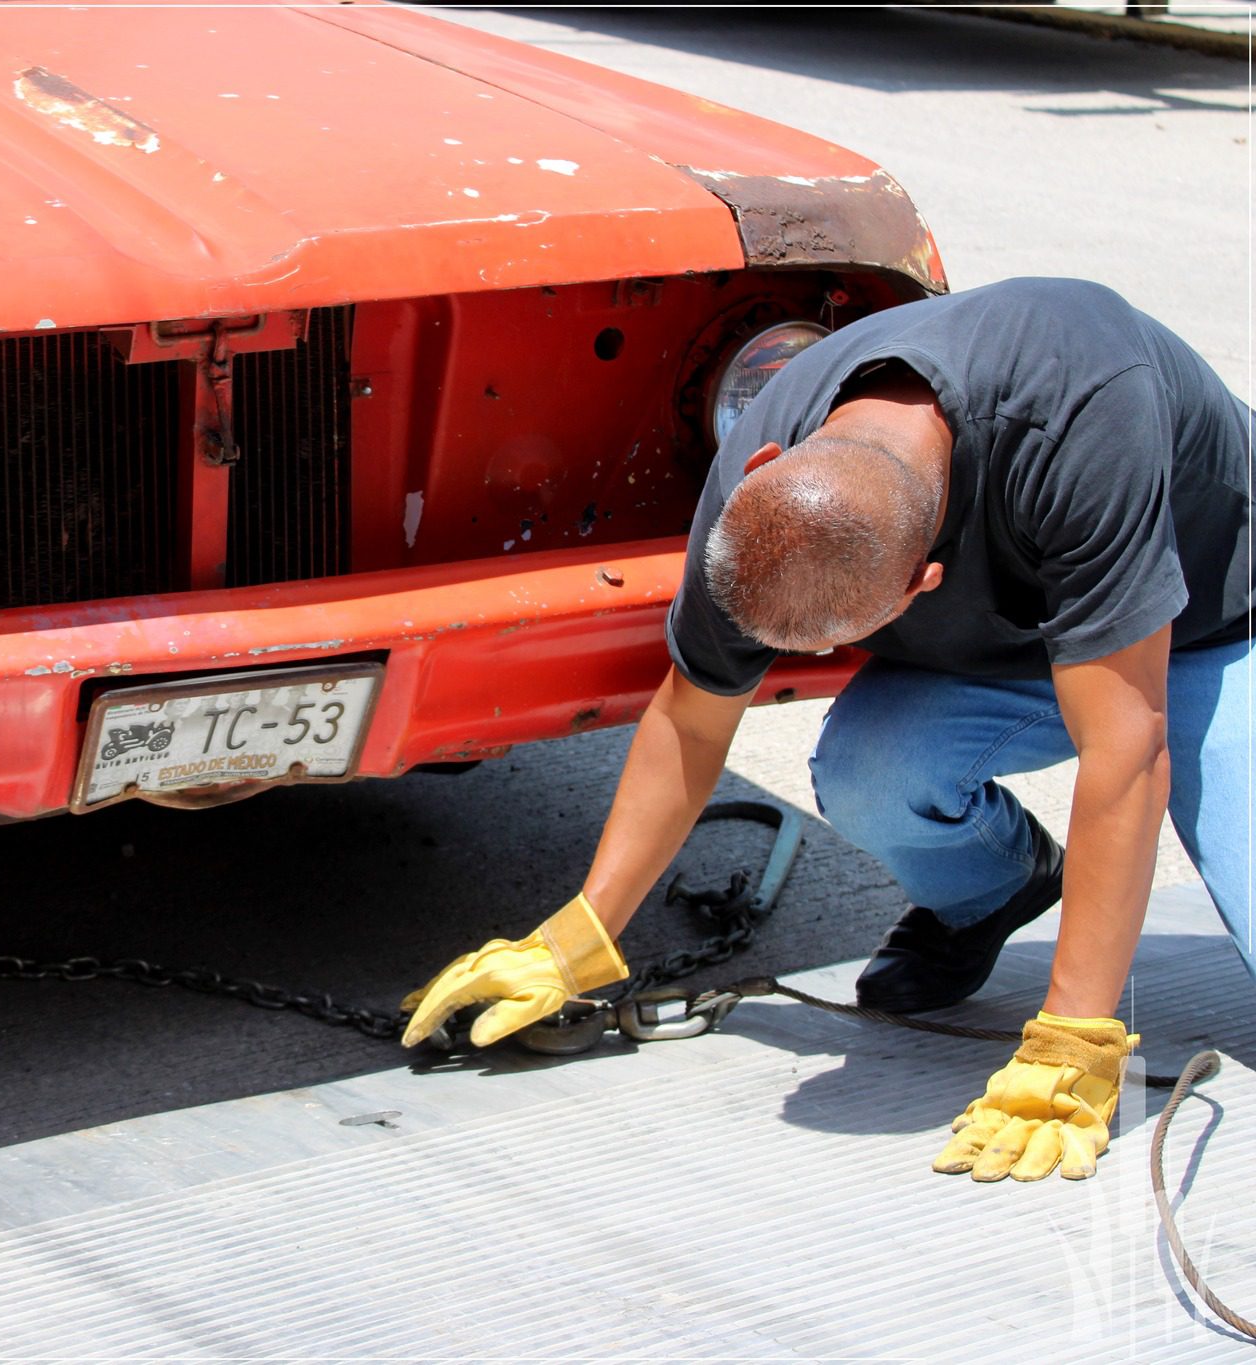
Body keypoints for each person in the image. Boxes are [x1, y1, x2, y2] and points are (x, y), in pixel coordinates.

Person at [401, 278, 1252, 1185]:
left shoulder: (1082, 413)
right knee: (868, 770)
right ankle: (993, 890)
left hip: (1215, 624)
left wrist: (1074, 1036)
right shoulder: (762, 501)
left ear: (925, 580)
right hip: (1022, 640)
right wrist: (576, 937)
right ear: (763, 464)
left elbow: (1129, 751)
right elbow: (692, 720)